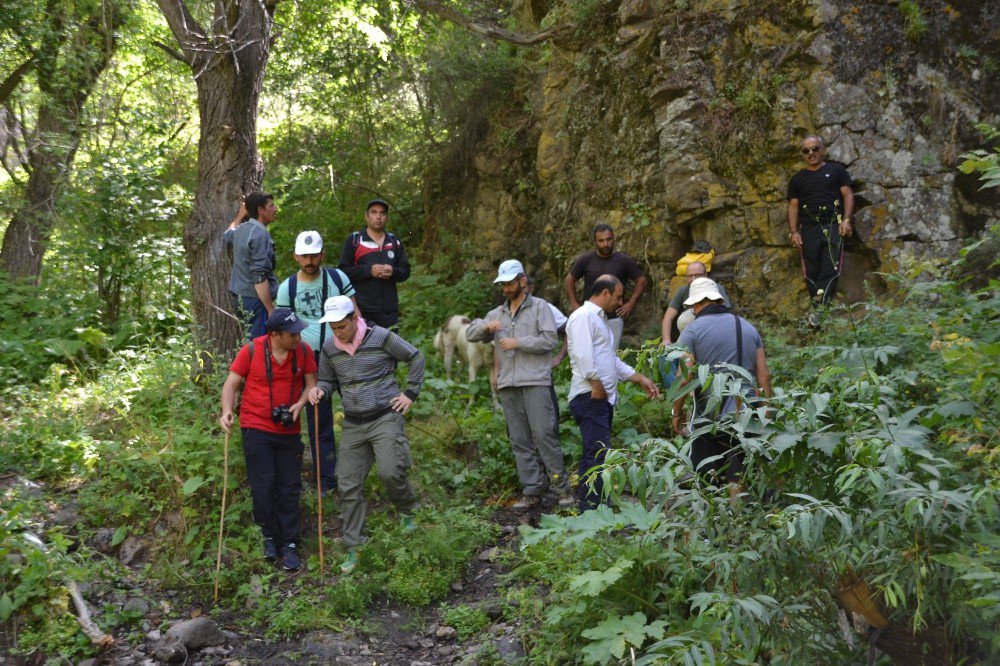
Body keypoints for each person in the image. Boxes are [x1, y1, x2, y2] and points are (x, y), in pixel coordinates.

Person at [307, 296, 424, 574]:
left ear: (354, 319)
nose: (338, 332)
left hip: (385, 415)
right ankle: (355, 545)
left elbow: (415, 357)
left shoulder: (381, 337)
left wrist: (410, 393)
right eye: (333, 327)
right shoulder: (328, 348)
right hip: (353, 424)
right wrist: (320, 390)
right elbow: (327, 380)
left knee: (390, 472)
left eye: (342, 326)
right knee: (347, 485)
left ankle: (408, 510)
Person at [467, 260, 572, 511]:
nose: (506, 288)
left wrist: (518, 342)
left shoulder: (540, 308)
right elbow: (471, 333)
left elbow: (549, 341)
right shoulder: (497, 313)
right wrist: (485, 327)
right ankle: (532, 490)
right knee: (519, 439)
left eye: (510, 283)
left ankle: (562, 489)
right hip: (508, 384)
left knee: (545, 434)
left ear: (522, 281)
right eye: (503, 284)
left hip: (535, 380)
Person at [219, 308, 317, 571]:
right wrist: (227, 411)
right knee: (262, 486)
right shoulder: (251, 351)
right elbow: (231, 384)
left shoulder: (304, 351)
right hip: (256, 427)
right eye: (292, 333)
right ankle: (268, 538)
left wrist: (300, 404)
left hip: (289, 430)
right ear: (274, 335)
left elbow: (311, 384)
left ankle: (291, 544)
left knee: (289, 486)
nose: (298, 336)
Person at [566, 275, 660, 510]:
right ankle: (596, 509)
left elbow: (611, 360)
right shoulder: (583, 317)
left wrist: (639, 378)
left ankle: (592, 507)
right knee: (598, 454)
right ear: (605, 293)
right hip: (589, 395)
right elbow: (582, 354)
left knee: (594, 453)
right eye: (618, 296)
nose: (620, 303)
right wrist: (596, 384)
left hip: (600, 397)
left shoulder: (600, 321)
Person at [276, 231, 358, 495]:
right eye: (304, 255)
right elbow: (284, 328)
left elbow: (355, 314)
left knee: (357, 407)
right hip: (309, 359)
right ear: (296, 256)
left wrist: (362, 346)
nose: (309, 260)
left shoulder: (337, 278)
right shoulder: (287, 288)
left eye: (314, 255)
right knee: (317, 417)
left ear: (322, 254)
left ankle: (356, 469)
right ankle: (326, 480)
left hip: (343, 352)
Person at [671, 278, 772, 488]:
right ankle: (738, 517)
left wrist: (677, 414)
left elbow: (684, 378)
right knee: (739, 474)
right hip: (746, 412)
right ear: (718, 300)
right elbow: (764, 377)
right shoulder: (748, 328)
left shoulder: (692, 331)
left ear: (696, 305)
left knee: (708, 476)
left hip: (709, 417)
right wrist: (766, 415)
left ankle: (713, 519)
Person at [787, 135, 854, 309]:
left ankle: (819, 311)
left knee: (830, 269)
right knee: (811, 272)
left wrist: (846, 221)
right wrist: (794, 232)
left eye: (815, 148)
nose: (811, 153)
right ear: (802, 154)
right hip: (809, 230)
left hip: (833, 226)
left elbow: (847, 195)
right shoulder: (797, 179)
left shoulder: (836, 171)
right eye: (806, 150)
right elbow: (793, 206)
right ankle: (819, 310)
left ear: (823, 150)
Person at [564, 224, 647, 349]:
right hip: (589, 317)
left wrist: (630, 303)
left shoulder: (624, 260)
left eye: (609, 239)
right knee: (586, 351)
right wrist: (575, 305)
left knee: (611, 355)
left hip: (613, 318)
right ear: (595, 241)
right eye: (601, 240)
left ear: (614, 239)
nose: (605, 244)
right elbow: (569, 280)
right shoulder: (586, 259)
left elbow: (641, 281)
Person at [338, 198, 410, 328]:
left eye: (382, 213)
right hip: (363, 310)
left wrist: (393, 271)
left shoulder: (394, 242)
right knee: (365, 347)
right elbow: (343, 272)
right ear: (366, 216)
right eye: (374, 212)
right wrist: (369, 271)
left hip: (389, 310)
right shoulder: (355, 240)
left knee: (389, 347)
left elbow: (405, 271)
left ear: (386, 217)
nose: (378, 217)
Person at [224, 192, 279, 339]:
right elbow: (259, 276)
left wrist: (241, 215)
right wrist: (270, 309)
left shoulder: (242, 230)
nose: (275, 209)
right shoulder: (261, 236)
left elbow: (227, 234)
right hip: (256, 300)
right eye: (271, 206)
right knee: (259, 345)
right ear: (260, 210)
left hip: (239, 297)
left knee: (251, 343)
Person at [660, 261, 731, 345]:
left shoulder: (715, 288)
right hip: (689, 333)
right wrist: (666, 340)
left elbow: (726, 315)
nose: (693, 279)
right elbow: (668, 317)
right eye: (690, 276)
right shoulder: (683, 291)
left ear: (705, 275)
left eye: (697, 275)